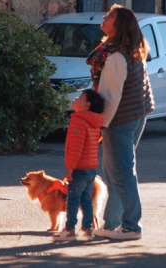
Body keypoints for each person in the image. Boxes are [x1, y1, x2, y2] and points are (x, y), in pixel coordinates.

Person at [86, 4, 155, 242]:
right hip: (135, 116)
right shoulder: (129, 49)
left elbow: (111, 97)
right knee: (115, 171)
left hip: (119, 120)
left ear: (119, 26)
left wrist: (99, 125)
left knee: (121, 173)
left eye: (110, 17)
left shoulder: (114, 56)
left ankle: (130, 226)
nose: (104, 17)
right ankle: (113, 223)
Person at [53, 89, 105, 242]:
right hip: (91, 168)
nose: (76, 97)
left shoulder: (78, 121)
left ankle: (70, 230)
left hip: (79, 168)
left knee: (72, 200)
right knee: (86, 200)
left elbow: (76, 148)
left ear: (86, 105)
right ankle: (87, 230)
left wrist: (70, 168)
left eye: (80, 97)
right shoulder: (94, 121)